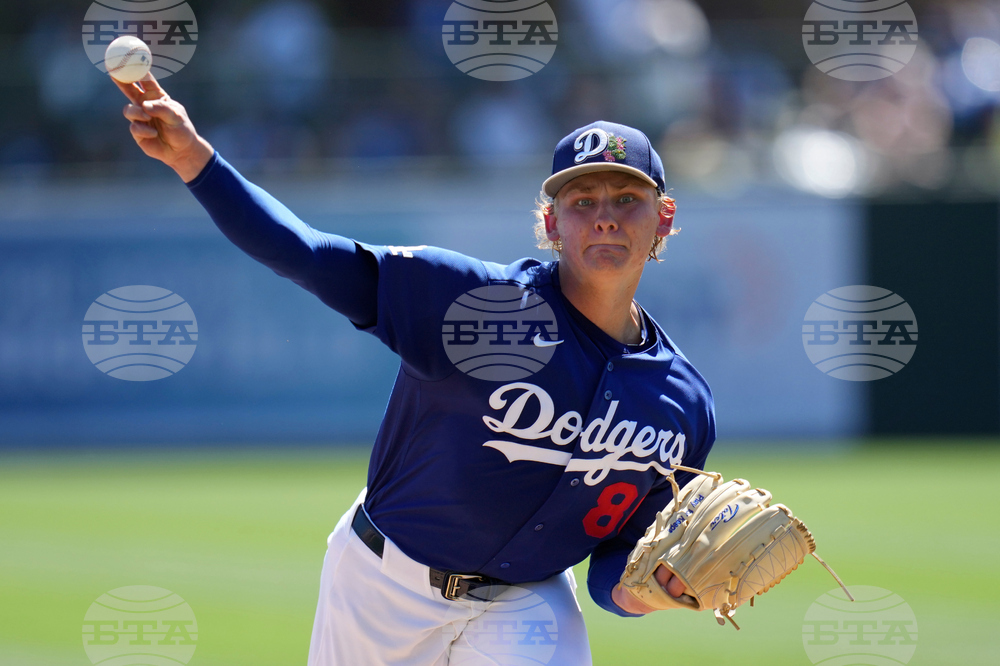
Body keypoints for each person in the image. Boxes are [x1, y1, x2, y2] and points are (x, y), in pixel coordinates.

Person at [116, 74, 716, 665]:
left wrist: (648, 590)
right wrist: (196, 161)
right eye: (582, 202)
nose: (605, 218)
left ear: (663, 217)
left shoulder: (683, 404)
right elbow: (306, 253)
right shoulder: (478, 306)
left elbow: (618, 561)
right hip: (384, 585)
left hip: (527, 603)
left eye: (626, 199)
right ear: (553, 224)